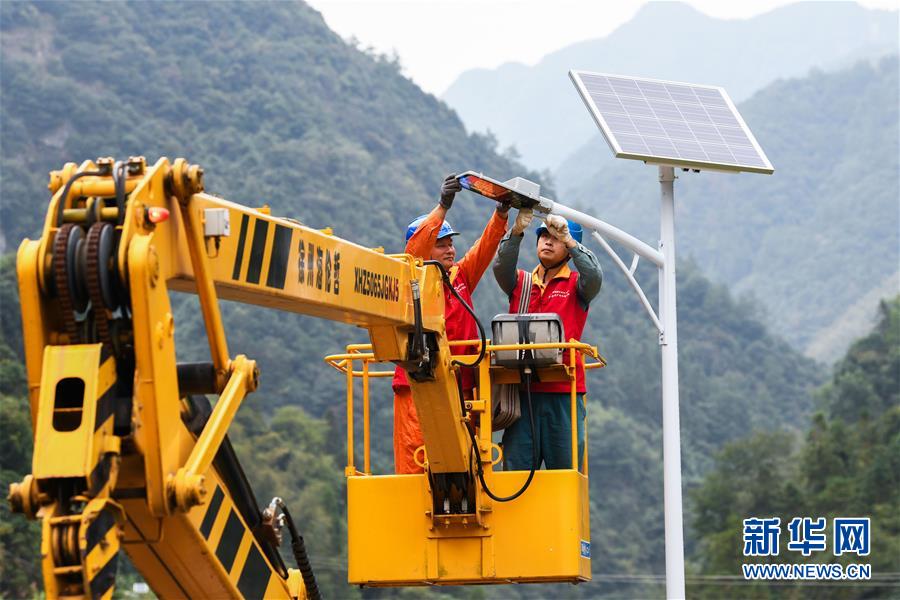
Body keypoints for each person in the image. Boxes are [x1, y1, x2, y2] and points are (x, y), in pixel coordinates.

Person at [393, 174, 511, 474]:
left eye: (450, 244)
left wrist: (501, 214)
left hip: (463, 387)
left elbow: (483, 249)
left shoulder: (459, 277)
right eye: (440, 245)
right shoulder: (410, 283)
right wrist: (443, 206)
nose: (450, 250)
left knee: (468, 465)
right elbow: (413, 253)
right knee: (416, 461)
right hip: (418, 388)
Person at [492, 209, 602, 471]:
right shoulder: (521, 282)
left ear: (568, 248)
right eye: (543, 236)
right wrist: (516, 231)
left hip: (563, 393)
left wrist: (572, 241)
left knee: (564, 472)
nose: (548, 241)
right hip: (522, 392)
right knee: (516, 473)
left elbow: (595, 276)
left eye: (556, 237)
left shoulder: (577, 284)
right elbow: (500, 266)